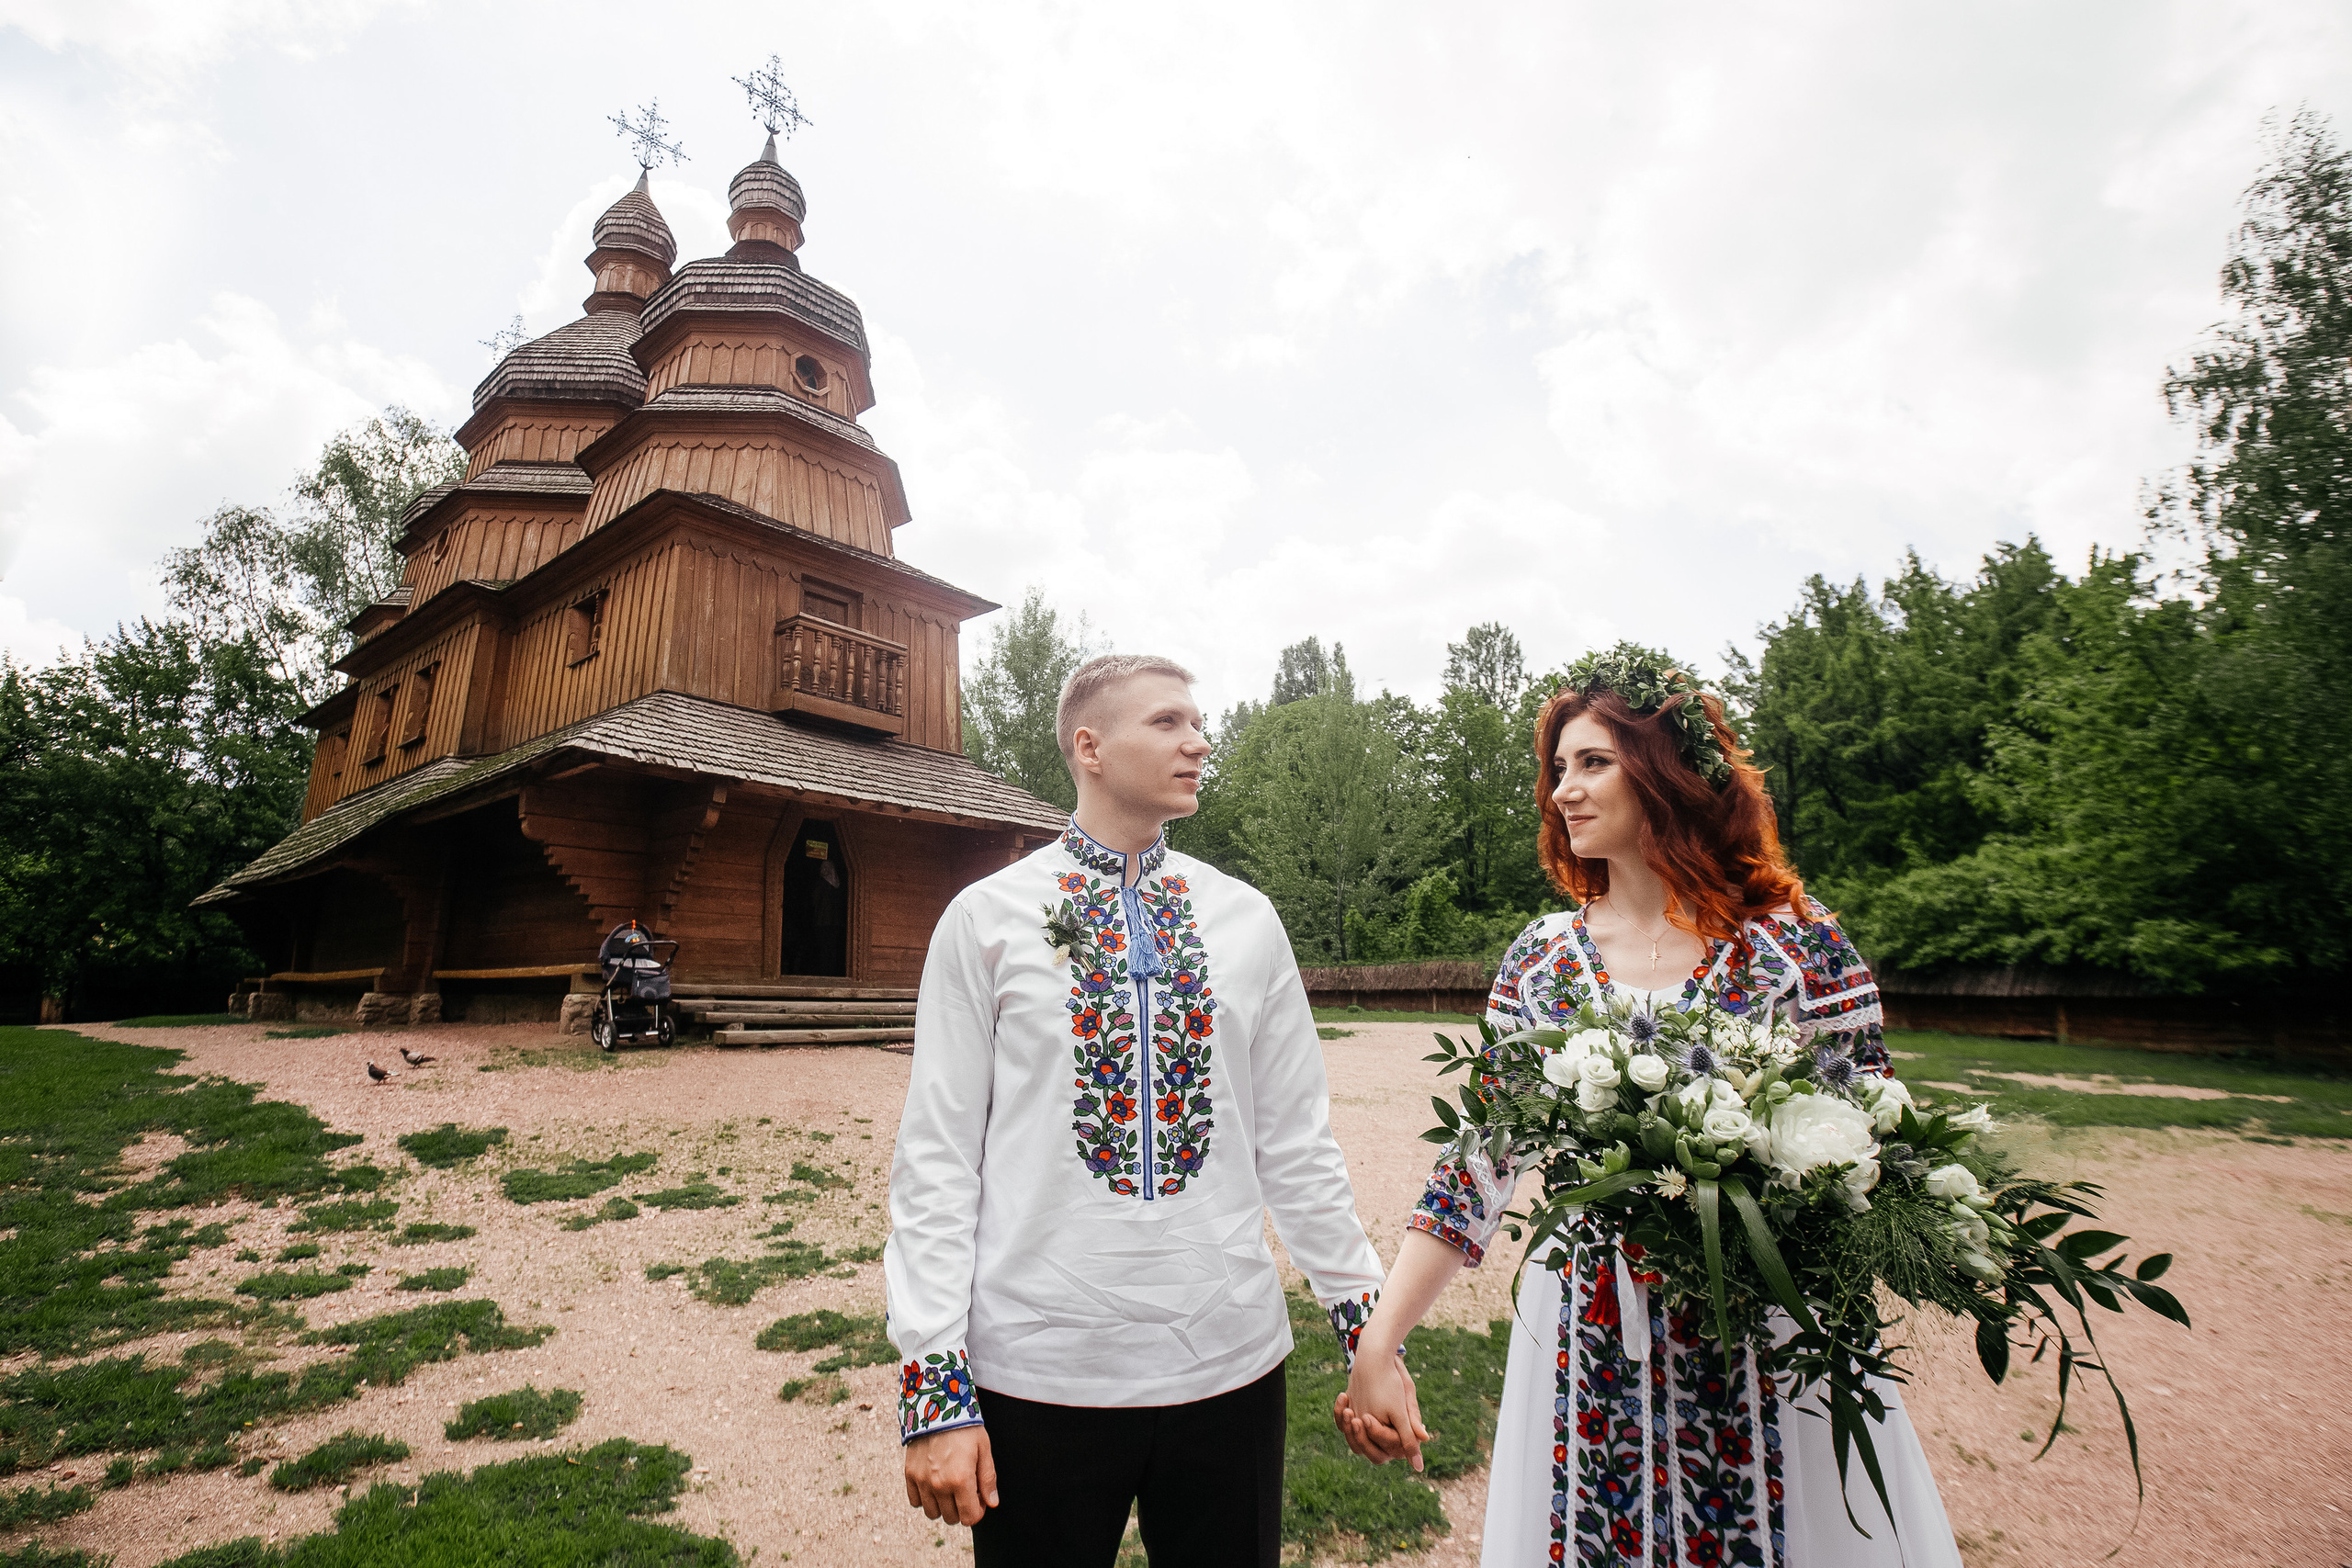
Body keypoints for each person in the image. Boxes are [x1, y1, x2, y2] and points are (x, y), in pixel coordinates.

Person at [1335, 649, 1962, 1568]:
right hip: (1590, 1323)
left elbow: (1874, 1141)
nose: (1563, 790)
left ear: (1666, 772)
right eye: (1558, 768)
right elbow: (1477, 1164)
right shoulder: (1542, 961)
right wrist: (1378, 1343)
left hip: (1764, 1328)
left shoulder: (1796, 946)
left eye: (1593, 762)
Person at [887, 652, 1392, 1568]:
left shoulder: (1245, 919)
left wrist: (1370, 1331)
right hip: (1037, 1369)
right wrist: (934, 1384)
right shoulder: (986, 919)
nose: (1199, 741)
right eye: (1168, 722)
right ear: (1090, 747)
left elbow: (1296, 1144)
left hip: (1229, 1363)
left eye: (1197, 722)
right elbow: (937, 1158)